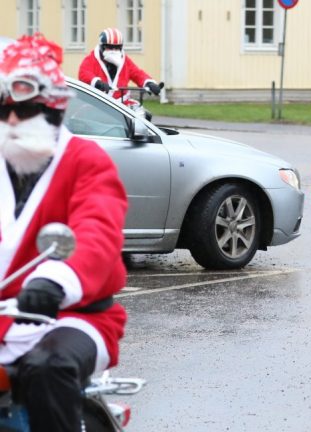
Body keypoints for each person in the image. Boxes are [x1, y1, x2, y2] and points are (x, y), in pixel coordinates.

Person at [0, 34, 128, 431]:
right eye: (4, 110)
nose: (13, 120)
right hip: (6, 316)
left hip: (72, 315)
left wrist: (55, 280)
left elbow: (97, 230)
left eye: (26, 110)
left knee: (49, 366)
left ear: (54, 109)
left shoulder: (87, 162)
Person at [78, 27, 161, 106]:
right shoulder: (92, 59)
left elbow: (137, 73)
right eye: (109, 47)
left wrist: (149, 83)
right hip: (98, 104)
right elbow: (84, 73)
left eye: (117, 47)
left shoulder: (124, 60)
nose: (113, 50)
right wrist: (97, 83)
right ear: (102, 47)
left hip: (121, 104)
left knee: (143, 114)